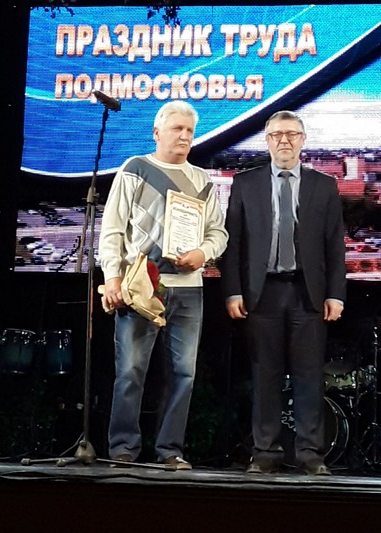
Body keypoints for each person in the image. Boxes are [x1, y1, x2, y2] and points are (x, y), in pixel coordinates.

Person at [98, 100, 228, 470]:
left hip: (189, 288)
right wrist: (112, 277)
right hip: (141, 286)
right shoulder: (135, 169)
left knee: (184, 374)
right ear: (157, 132)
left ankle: (170, 450)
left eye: (190, 131)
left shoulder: (202, 179)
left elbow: (218, 233)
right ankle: (123, 448)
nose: (185, 136)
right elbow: (112, 229)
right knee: (130, 371)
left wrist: (203, 253)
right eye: (177, 129)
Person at [221, 110, 346, 475]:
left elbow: (334, 245)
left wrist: (336, 294)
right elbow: (233, 244)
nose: (284, 141)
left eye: (291, 134)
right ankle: (265, 453)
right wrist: (232, 291)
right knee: (265, 376)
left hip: (309, 293)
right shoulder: (245, 184)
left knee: (309, 376)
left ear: (303, 140)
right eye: (277, 135)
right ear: (267, 141)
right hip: (262, 294)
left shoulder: (324, 185)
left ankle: (310, 454)